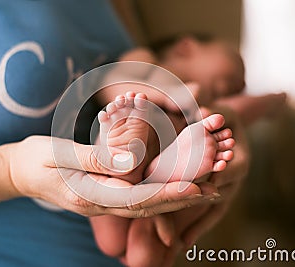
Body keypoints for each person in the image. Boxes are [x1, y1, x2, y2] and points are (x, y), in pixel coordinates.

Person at [0, 2, 219, 266]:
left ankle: (152, 172)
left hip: (119, 192)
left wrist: (220, 119)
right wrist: (10, 171)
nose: (228, 88)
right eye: (227, 81)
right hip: (92, 175)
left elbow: (131, 69)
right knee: (129, 120)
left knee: (143, 211)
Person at [90, 92, 236, 257]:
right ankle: (155, 173)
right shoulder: (180, 88)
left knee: (113, 242)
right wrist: (268, 101)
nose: (239, 86)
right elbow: (240, 106)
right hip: (167, 127)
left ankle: (124, 166)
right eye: (224, 83)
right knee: (140, 253)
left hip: (161, 128)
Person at [98, 34, 287, 126]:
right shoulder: (148, 60)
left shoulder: (204, 103)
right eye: (237, 63)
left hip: (168, 151)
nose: (241, 84)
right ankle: (269, 102)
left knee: (222, 116)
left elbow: (231, 112)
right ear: (186, 47)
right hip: (122, 133)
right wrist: (166, 96)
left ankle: (267, 102)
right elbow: (109, 84)